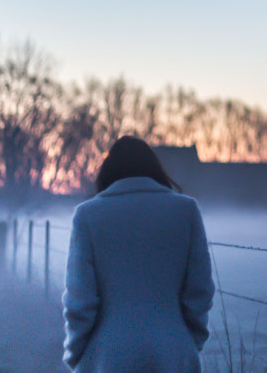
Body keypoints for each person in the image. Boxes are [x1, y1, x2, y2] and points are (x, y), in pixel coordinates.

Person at [62, 135, 215, 372]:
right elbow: (200, 291)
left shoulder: (88, 215)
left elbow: (80, 300)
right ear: (154, 169)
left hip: (106, 357)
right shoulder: (186, 211)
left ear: (108, 171)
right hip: (174, 353)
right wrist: (188, 342)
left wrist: (76, 353)